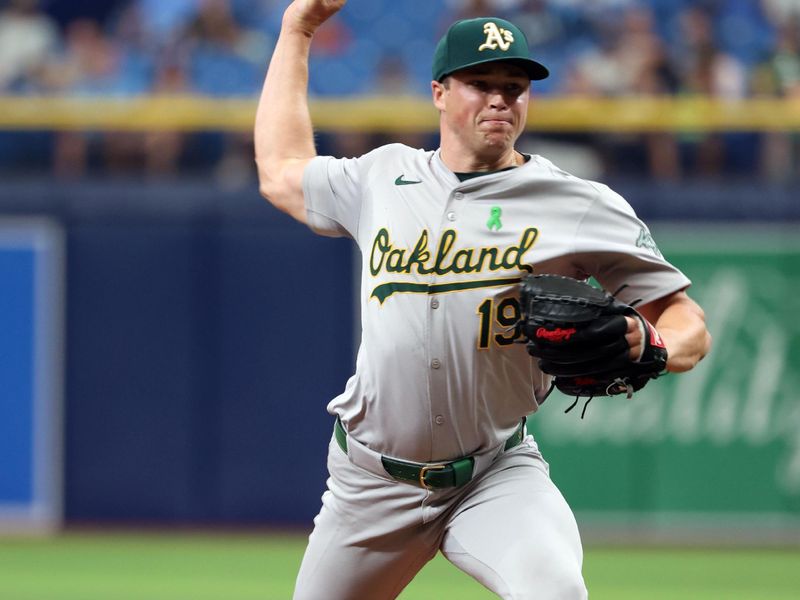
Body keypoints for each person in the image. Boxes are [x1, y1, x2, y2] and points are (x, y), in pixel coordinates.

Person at [254, 2, 712, 598]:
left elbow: (688, 323)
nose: (500, 99)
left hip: (494, 476)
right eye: (480, 83)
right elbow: (281, 169)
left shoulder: (575, 202)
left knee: (556, 592)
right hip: (369, 483)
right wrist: (299, 28)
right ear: (440, 93)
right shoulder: (381, 176)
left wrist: (653, 342)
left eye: (514, 87)